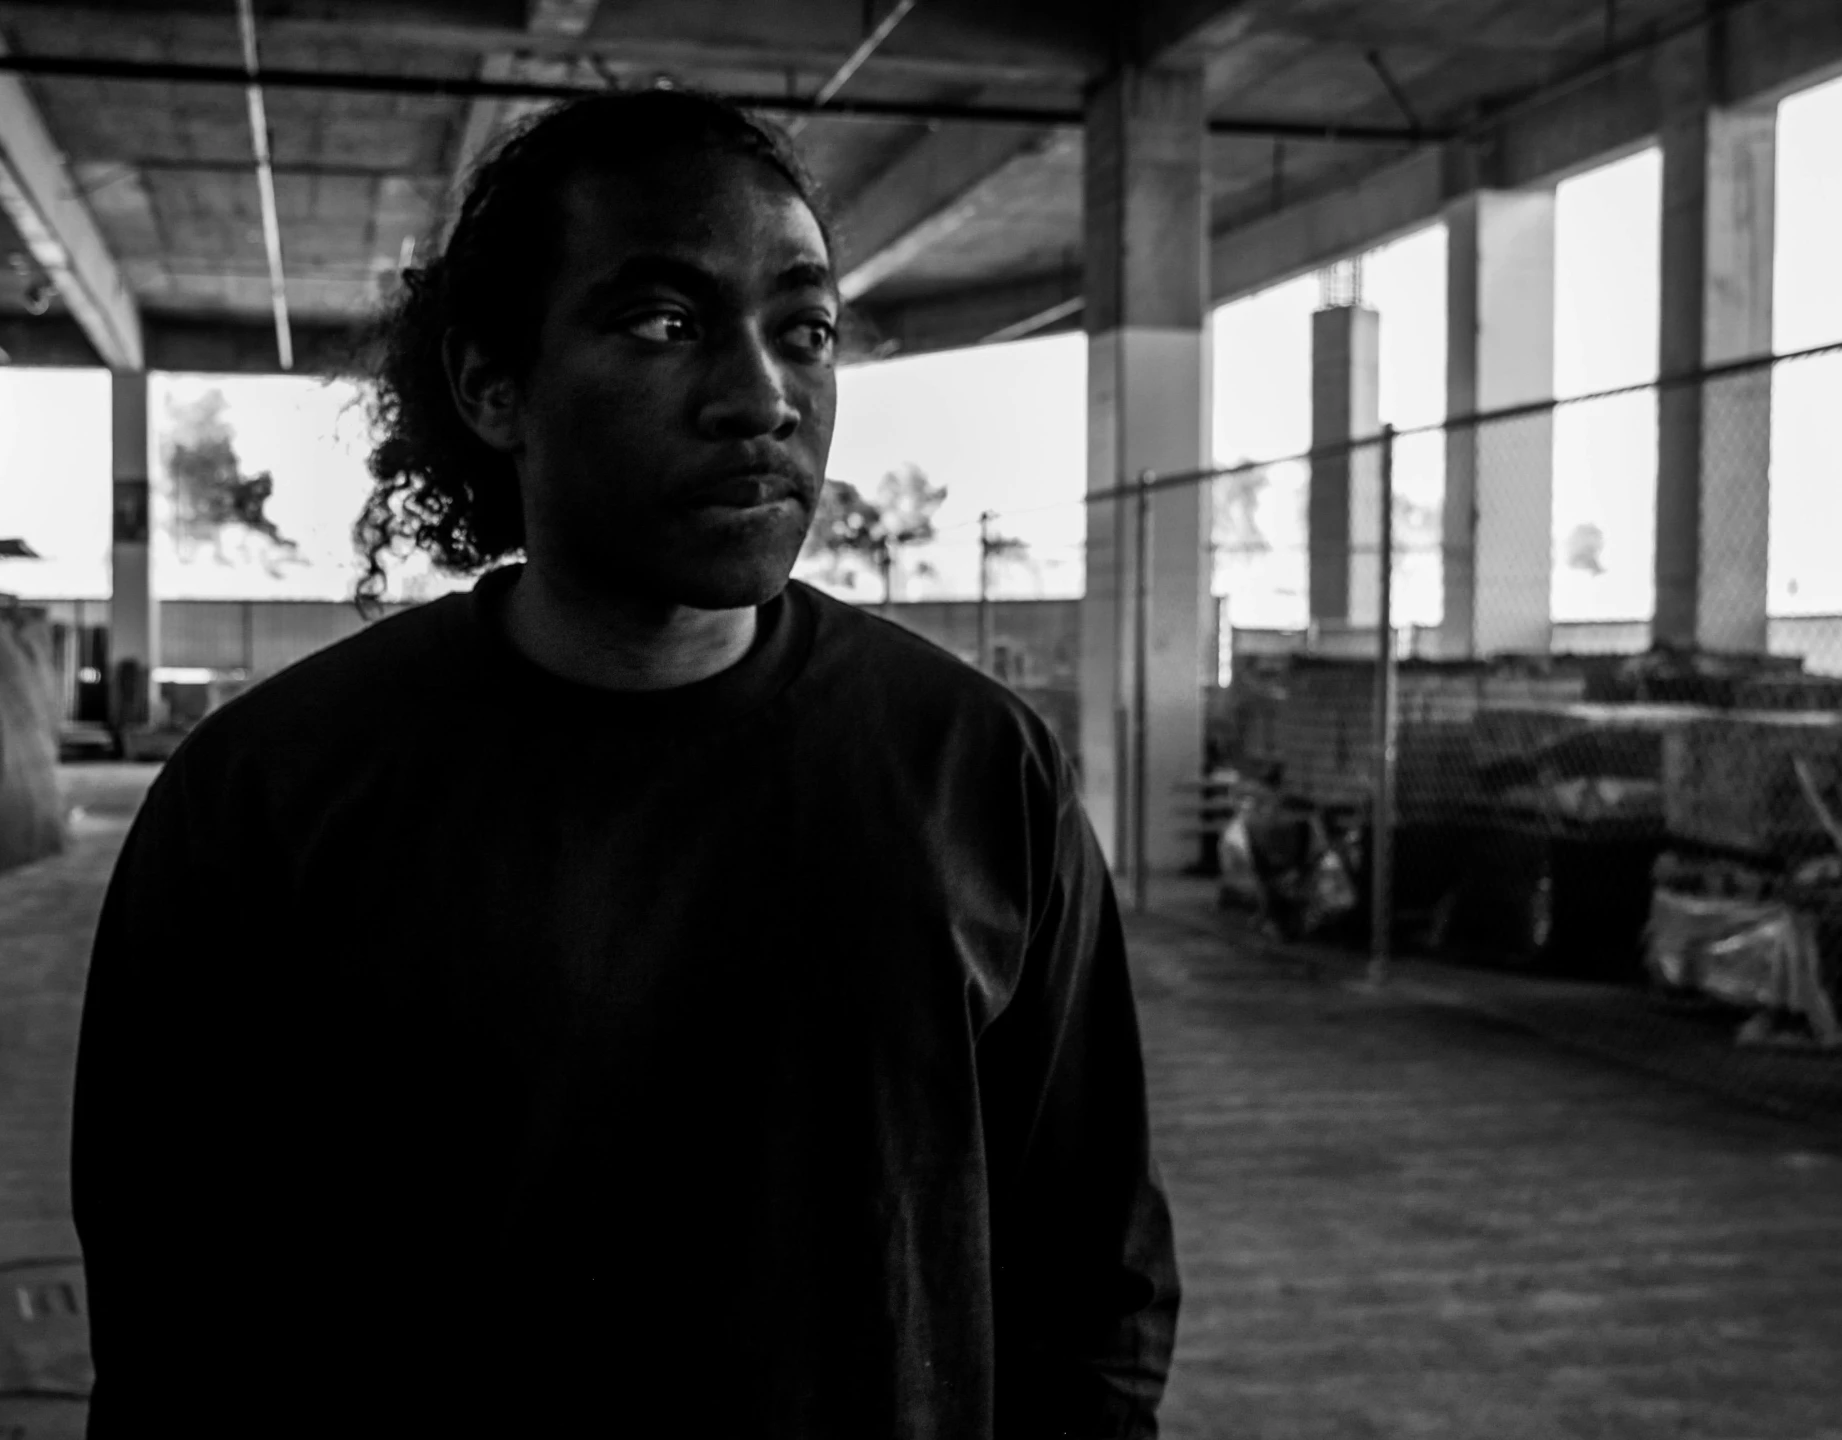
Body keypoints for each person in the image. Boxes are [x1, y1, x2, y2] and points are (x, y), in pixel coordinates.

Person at [72, 87, 1180, 1438]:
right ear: (493, 384)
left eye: (806, 331)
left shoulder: (972, 767)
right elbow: (178, 1318)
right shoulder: (272, 795)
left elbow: (1091, 1272)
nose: (761, 397)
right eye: (664, 323)